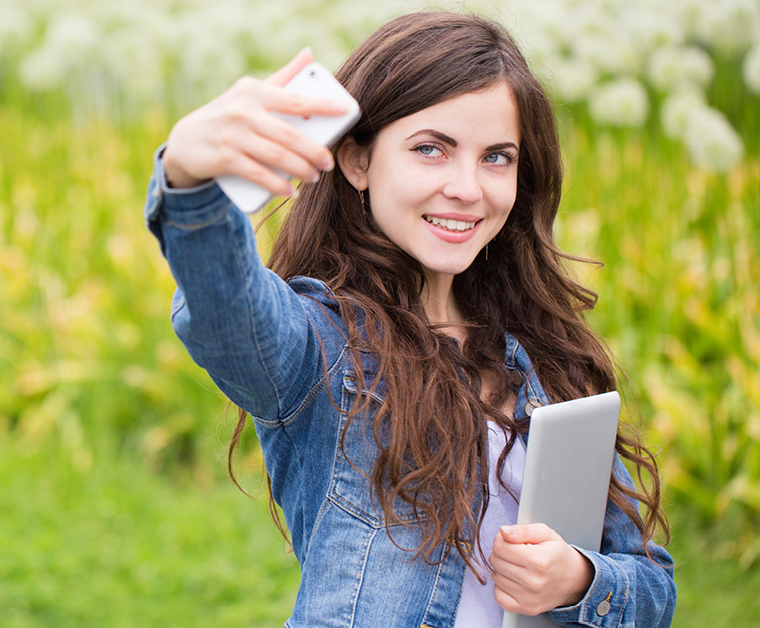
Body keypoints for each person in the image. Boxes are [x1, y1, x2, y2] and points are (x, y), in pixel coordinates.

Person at [143, 11, 676, 628]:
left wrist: (580, 580)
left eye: (496, 157)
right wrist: (190, 182)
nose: (467, 187)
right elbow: (222, 308)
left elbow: (652, 589)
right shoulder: (323, 351)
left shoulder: (547, 359)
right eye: (431, 149)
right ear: (356, 161)